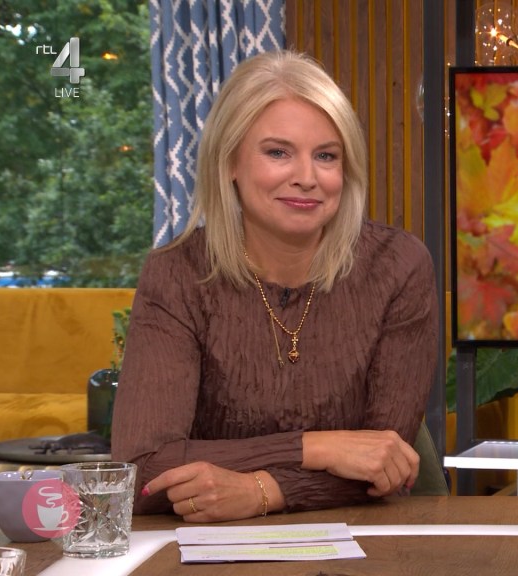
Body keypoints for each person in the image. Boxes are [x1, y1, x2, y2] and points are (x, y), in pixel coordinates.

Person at [111, 50, 439, 522]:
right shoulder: (177, 274)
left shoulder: (397, 265)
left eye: (326, 156)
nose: (306, 178)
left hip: (365, 537)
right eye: (278, 152)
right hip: (209, 545)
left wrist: (264, 490)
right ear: (230, 162)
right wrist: (316, 448)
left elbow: (384, 461)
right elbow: (143, 468)